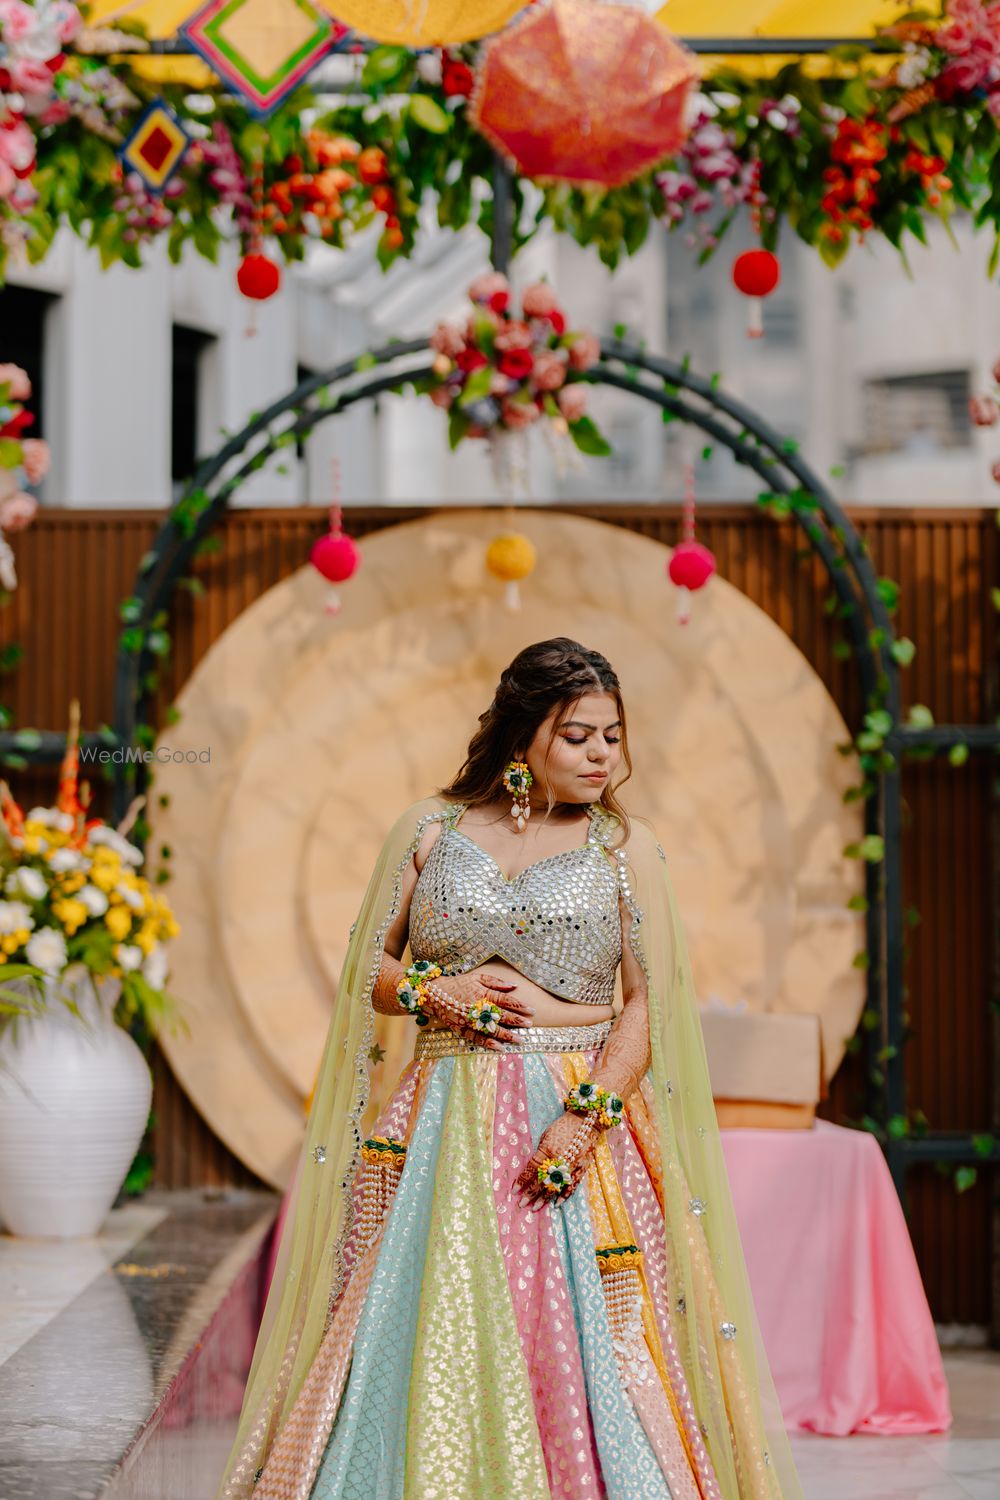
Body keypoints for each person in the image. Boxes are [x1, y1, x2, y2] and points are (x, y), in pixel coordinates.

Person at [219, 637, 804, 1500]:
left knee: (577, 1329)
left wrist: (585, 1116)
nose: (603, 755)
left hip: (568, 1111)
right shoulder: (431, 829)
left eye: (612, 735)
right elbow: (366, 974)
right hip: (440, 1115)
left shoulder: (623, 851)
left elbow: (647, 1006)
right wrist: (436, 990)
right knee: (421, 1318)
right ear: (524, 735)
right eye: (578, 736)